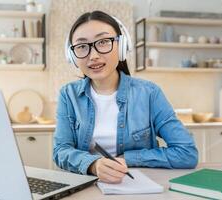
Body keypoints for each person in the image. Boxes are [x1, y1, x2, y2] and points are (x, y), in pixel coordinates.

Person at [53, 10, 198, 184]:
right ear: (72, 55)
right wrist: (93, 165)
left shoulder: (149, 93)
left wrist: (128, 158)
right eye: (82, 46)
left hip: (137, 186)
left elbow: (187, 153)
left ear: (121, 46)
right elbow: (60, 151)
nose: (93, 56)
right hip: (87, 186)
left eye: (104, 42)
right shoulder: (68, 95)